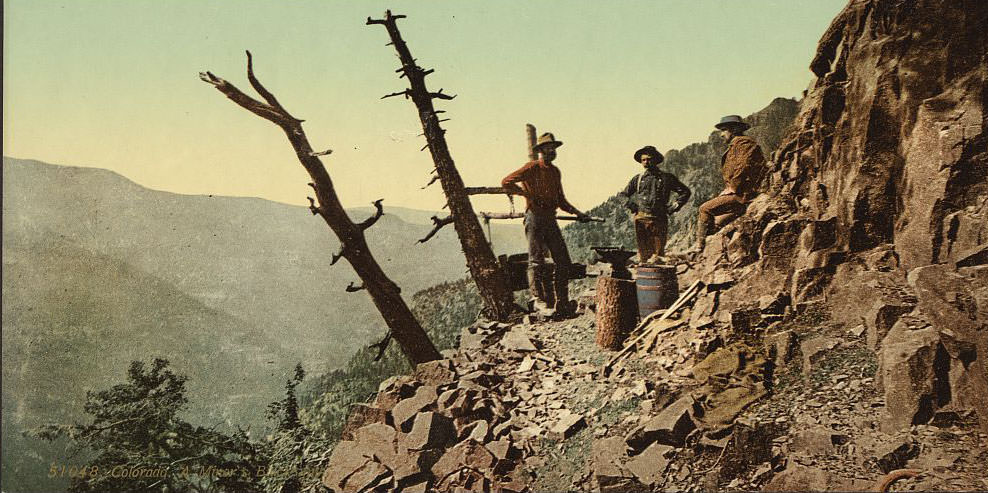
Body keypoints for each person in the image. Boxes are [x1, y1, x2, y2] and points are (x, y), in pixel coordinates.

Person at [502, 132, 591, 317]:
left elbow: (560, 200)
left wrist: (578, 213)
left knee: (563, 261)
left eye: (553, 148)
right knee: (536, 260)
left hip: (550, 218)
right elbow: (506, 182)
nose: (551, 151)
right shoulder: (532, 167)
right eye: (547, 148)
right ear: (541, 151)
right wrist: (526, 195)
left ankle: (562, 301)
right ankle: (538, 300)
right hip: (534, 217)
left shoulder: (555, 171)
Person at [695, 115, 767, 251]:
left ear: (733, 130)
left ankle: (699, 249)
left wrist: (733, 187)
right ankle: (707, 253)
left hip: (743, 194)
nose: (722, 135)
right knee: (716, 224)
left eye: (724, 130)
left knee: (704, 209)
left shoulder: (744, 144)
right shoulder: (736, 145)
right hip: (741, 194)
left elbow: (744, 166)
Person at [618, 145, 691, 264]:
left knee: (658, 255)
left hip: (659, 220)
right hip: (641, 220)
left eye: (649, 159)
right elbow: (622, 195)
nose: (646, 162)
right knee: (644, 255)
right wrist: (631, 205)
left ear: (656, 160)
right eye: (644, 160)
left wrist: (675, 205)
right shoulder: (637, 179)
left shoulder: (667, 178)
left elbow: (685, 192)